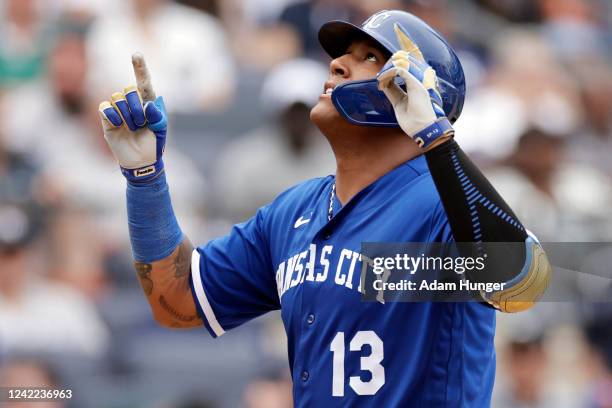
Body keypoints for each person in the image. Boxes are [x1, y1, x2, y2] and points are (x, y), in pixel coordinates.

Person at [97, 10, 550, 407]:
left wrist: (434, 136)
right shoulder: (294, 209)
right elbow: (177, 302)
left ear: (419, 90)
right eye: (344, 53)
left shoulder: (442, 204)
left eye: (369, 57)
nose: (337, 63)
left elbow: (524, 283)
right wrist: (145, 179)